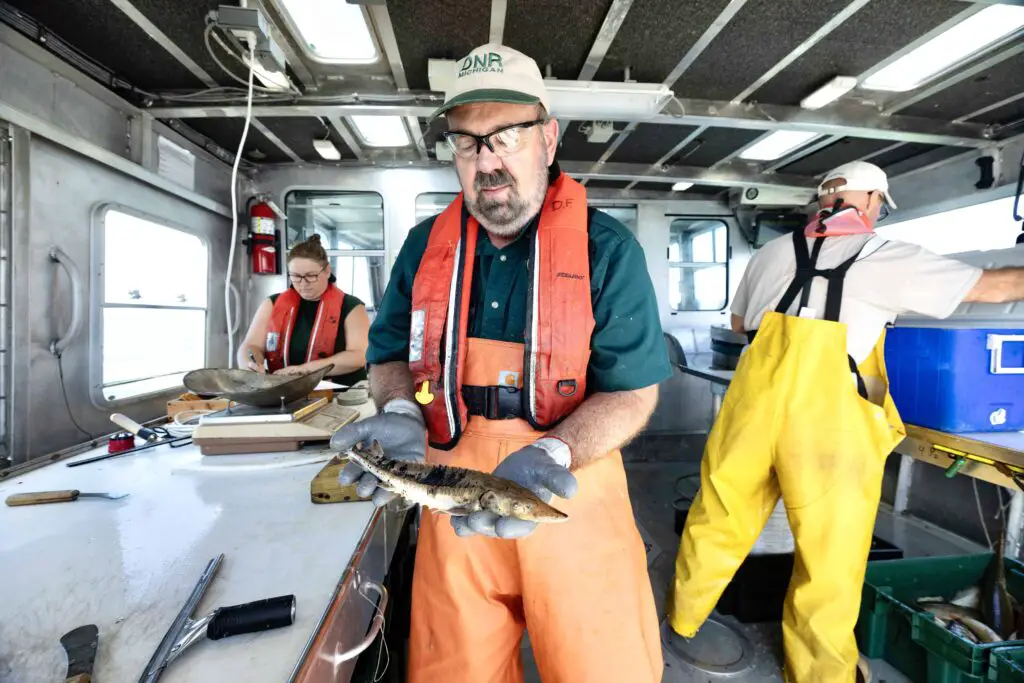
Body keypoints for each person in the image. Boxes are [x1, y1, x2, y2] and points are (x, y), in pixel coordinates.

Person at [329, 43, 670, 683]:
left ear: (547, 138)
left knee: (607, 668)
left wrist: (555, 453)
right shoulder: (421, 248)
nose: (487, 161)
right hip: (453, 494)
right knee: (451, 672)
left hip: (570, 484)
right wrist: (400, 408)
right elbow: (387, 356)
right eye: (467, 142)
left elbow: (632, 394)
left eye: (506, 136)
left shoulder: (608, 251)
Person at [668, 160, 1024, 682]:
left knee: (718, 516)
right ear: (874, 202)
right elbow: (993, 288)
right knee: (829, 556)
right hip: (826, 426)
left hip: (751, 408)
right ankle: (816, 675)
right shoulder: (885, 255)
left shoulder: (770, 253)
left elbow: (742, 324)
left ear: (823, 200)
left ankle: (682, 620)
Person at [237, 234, 369, 386]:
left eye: (311, 276)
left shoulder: (352, 307)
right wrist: (250, 364)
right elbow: (251, 346)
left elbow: (358, 356)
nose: (303, 283)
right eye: (295, 276)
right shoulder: (272, 304)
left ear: (327, 271)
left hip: (342, 393)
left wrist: (305, 370)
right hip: (286, 392)